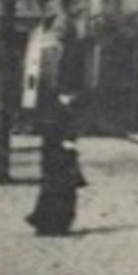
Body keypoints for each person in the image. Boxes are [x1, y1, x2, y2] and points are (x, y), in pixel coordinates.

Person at [26, 90, 85, 237]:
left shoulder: (65, 110)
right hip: (55, 157)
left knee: (63, 190)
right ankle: (50, 225)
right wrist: (62, 143)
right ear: (62, 95)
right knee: (57, 190)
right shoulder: (54, 112)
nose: (73, 97)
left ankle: (58, 225)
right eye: (70, 95)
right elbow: (49, 133)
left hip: (63, 156)